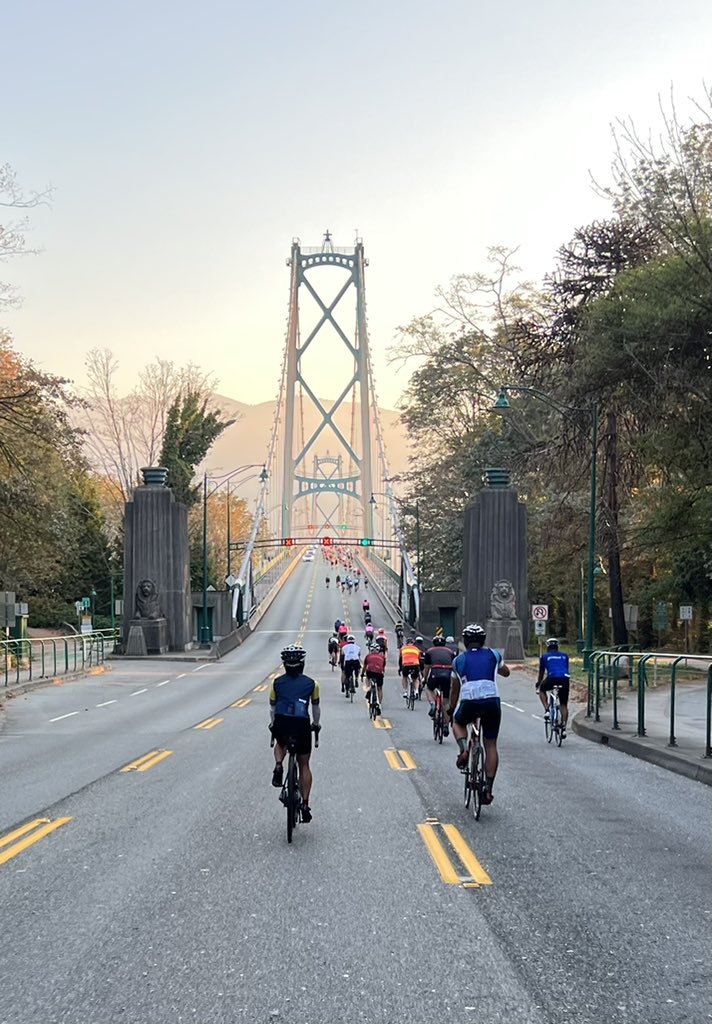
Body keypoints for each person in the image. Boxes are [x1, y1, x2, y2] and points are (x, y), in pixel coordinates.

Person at [448, 624, 510, 805]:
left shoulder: (458, 661)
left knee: (458, 723)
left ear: (465, 642)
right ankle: (488, 789)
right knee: (491, 745)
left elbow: (454, 691)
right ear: (483, 641)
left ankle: (464, 750)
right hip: (492, 701)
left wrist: (451, 710)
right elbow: (506, 672)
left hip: (469, 701)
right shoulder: (493, 654)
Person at [270, 644, 321, 823]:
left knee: (281, 743)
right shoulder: (312, 684)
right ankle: (305, 804)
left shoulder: (276, 683)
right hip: (301, 724)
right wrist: (315, 724)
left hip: (282, 721)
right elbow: (315, 708)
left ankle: (278, 764)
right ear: (302, 663)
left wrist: (273, 723)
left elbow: (272, 708)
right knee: (304, 764)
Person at [537, 638, 570, 734]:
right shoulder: (565, 656)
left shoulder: (545, 656)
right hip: (564, 679)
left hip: (552, 678)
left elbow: (541, 672)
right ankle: (563, 728)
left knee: (542, 689)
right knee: (564, 705)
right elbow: (565, 668)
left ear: (548, 647)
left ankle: (547, 708)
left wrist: (539, 683)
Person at [423, 635, 455, 734]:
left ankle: (433, 704)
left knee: (429, 689)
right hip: (448, 673)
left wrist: (424, 679)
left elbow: (427, 668)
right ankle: (445, 724)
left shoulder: (429, 651)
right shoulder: (450, 652)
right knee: (446, 702)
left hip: (435, 671)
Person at [361, 643, 386, 711]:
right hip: (379, 673)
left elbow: (365, 667)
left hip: (370, 672)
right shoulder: (382, 657)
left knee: (368, 676)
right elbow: (383, 667)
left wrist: (362, 674)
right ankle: (380, 704)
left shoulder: (368, 656)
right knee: (380, 689)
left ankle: (369, 687)